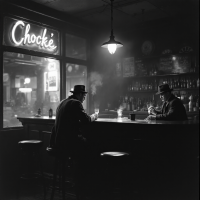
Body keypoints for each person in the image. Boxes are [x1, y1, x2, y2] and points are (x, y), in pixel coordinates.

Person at [49, 85, 99, 200]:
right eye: (84, 96)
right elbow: (86, 120)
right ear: (80, 94)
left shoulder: (63, 102)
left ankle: (78, 180)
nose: (84, 98)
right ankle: (83, 184)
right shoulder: (76, 103)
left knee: (85, 146)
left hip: (56, 143)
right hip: (67, 145)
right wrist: (95, 116)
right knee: (92, 147)